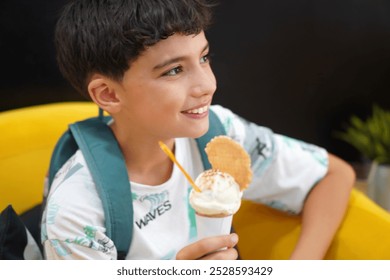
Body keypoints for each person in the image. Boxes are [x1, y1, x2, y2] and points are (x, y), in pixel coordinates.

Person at [41, 0, 355, 260]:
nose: (207, 85)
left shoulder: (220, 134)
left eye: (204, 57)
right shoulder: (76, 211)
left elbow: (332, 175)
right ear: (109, 94)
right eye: (174, 70)